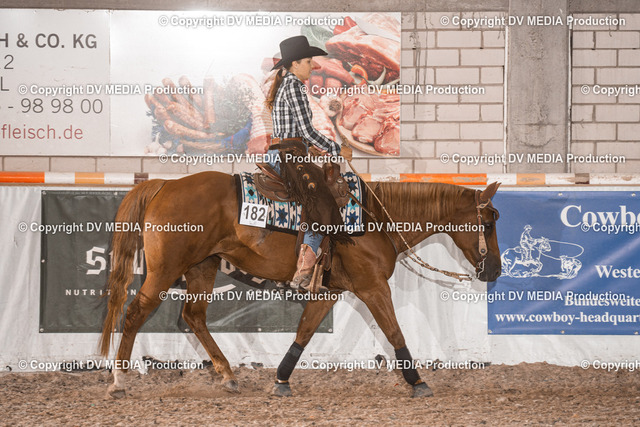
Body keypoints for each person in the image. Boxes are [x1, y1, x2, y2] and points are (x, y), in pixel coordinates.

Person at [264, 35, 353, 292]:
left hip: (285, 151)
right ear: (295, 64)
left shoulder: (287, 83)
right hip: (288, 156)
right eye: (308, 61)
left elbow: (297, 132)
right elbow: (307, 130)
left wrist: (309, 147)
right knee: (320, 198)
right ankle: (306, 261)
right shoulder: (294, 86)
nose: (312, 66)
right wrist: (337, 149)